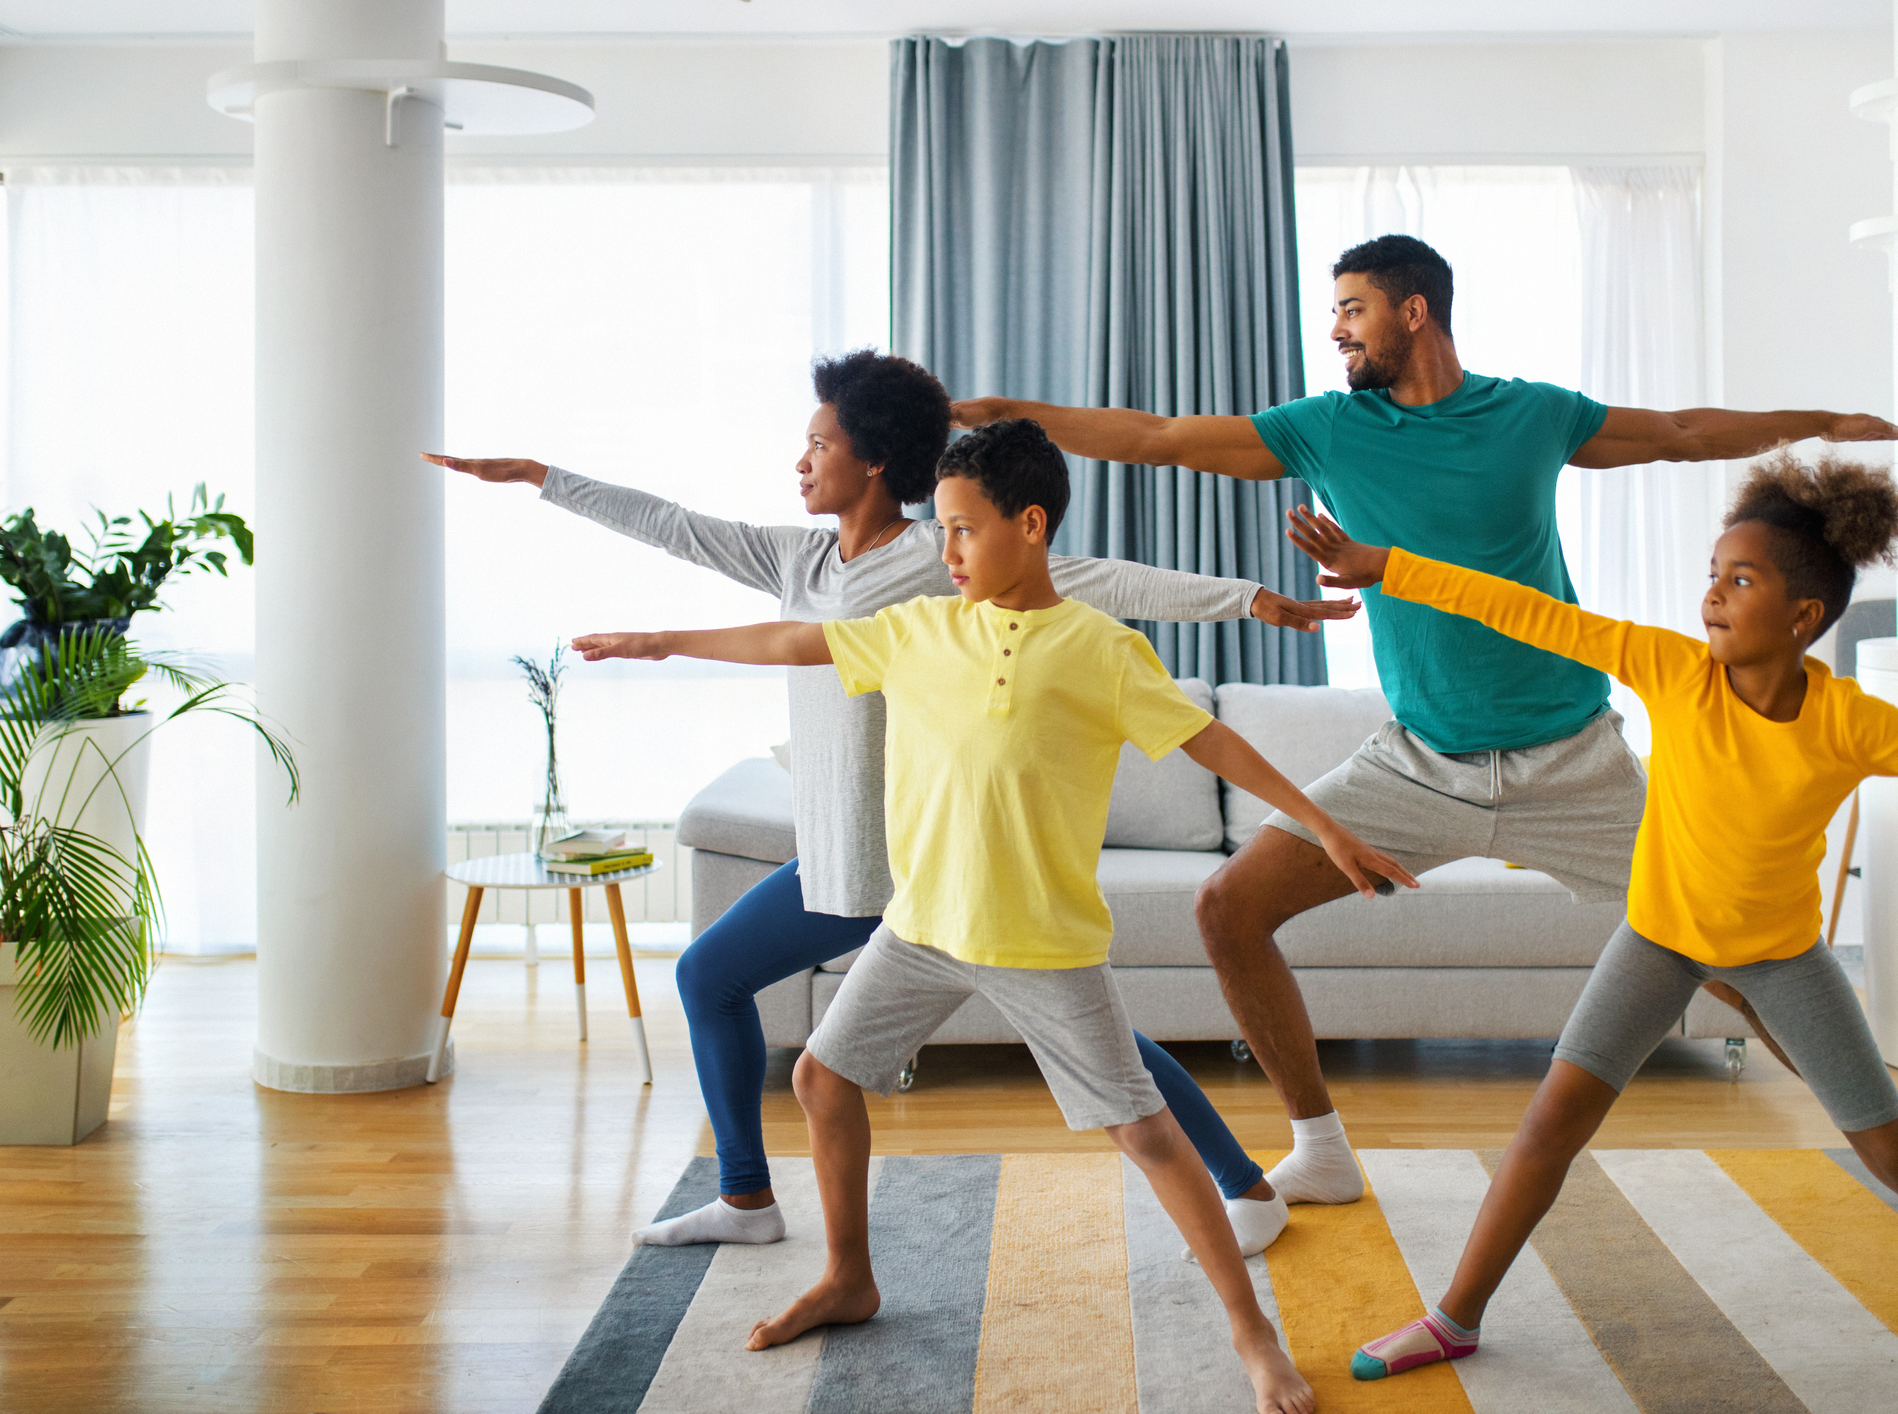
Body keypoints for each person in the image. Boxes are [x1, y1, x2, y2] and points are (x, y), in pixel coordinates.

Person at [950, 234, 1898, 1209]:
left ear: (1414, 310)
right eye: (1333, 312)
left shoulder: (1530, 415)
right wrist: (1012, 416)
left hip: (1576, 765)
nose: (1335, 330)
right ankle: (1320, 1146)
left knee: (1737, 960)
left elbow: (1677, 428)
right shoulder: (1327, 427)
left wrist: (1825, 422)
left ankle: (1892, 1151)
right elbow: (1160, 437)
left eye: (1352, 308)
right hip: (1417, 764)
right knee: (1228, 908)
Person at [424, 350, 1357, 1256]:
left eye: (819, 444)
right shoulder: (795, 559)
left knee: (721, 979)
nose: (800, 461)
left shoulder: (936, 555)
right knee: (1073, 1028)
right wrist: (543, 477)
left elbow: (1095, 577)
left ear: (873, 459)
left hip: (901, 859)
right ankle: (1235, 1182)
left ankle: (752, 1194)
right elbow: (669, 522)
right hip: (835, 850)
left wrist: (1245, 600)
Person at [574, 419, 1422, 1414]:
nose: (947, 552)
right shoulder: (921, 629)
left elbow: (1214, 748)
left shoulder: (1100, 650)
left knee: (1145, 1136)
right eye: (940, 530)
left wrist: (1323, 827)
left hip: (1040, 944)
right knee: (821, 1076)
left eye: (966, 531)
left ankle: (1251, 1330)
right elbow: (790, 636)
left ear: (1030, 524)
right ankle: (851, 1274)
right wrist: (662, 640)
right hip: (923, 924)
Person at [1282, 451, 1898, 1401]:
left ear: (1802, 617)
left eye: (1739, 579)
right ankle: (1453, 1318)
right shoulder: (1673, 672)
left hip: (1779, 961)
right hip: (1656, 939)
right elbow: (1530, 612)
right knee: (1549, 1124)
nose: (1711, 595)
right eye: (1710, 573)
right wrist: (1393, 568)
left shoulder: (1853, 723)